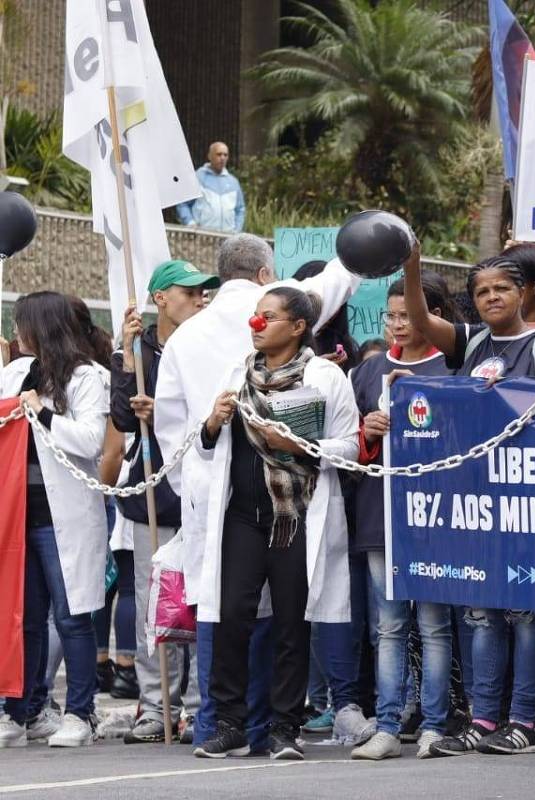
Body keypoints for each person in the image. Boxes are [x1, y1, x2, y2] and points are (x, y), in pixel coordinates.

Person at [155, 233, 360, 756]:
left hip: (296, 516)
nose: (255, 323)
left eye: (267, 317)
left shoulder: (324, 377)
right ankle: (229, 724)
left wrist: (297, 445)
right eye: (255, 315)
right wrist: (211, 423)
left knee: (291, 622)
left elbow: (349, 445)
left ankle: (284, 727)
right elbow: (203, 445)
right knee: (230, 618)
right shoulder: (236, 373)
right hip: (242, 516)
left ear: (298, 326)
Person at [402, 243, 535, 759]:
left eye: (502, 288)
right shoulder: (470, 343)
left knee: (526, 614)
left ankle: (524, 721)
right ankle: (483, 718)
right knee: (482, 614)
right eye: (482, 291)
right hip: (475, 503)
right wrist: (412, 267)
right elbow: (422, 322)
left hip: (528, 503)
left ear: (525, 292)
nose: (492, 297)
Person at [349, 271, 461, 760]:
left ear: (429, 316)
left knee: (434, 624)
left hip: (435, 515)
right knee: (389, 626)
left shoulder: (451, 366)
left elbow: (466, 437)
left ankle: (434, 725)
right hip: (381, 514)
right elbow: (348, 447)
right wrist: (369, 432)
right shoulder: (367, 372)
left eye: (406, 315)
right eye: (390, 316)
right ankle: (388, 726)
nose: (397, 324)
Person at [111, 259, 218, 744]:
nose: (199, 298)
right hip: (154, 493)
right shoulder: (138, 349)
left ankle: (199, 706)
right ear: (160, 298)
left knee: (201, 602)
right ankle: (157, 705)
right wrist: (126, 361)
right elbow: (122, 420)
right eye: (189, 291)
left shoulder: (212, 343)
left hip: (204, 490)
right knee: (155, 606)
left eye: (203, 291)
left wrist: (170, 412)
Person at [0, 292, 109, 748]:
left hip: (61, 516)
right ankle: (20, 710)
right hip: (15, 515)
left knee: (71, 616)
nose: (17, 332)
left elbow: (90, 441)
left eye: (22, 323)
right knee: (21, 618)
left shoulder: (86, 377)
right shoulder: (14, 373)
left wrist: (41, 413)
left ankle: (80, 711)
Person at [293, 260, 362, 372]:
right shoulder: (279, 338)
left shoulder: (347, 348)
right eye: (317, 300)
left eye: (333, 302)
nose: (327, 310)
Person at [176, 141, 246, 233]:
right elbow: (183, 203)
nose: (222, 158)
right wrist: (190, 223)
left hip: (228, 236)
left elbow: (240, 209)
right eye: (219, 154)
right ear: (210, 156)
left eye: (225, 155)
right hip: (202, 234)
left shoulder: (233, 182)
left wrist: (237, 229)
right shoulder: (197, 178)